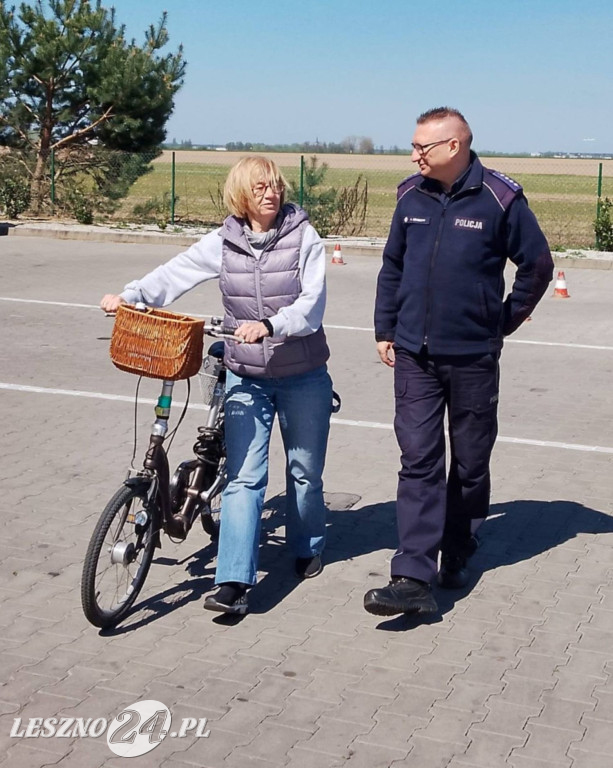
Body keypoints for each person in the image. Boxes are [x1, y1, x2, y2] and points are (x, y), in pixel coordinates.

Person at [101, 156, 334, 615]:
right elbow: (175, 273)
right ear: (241, 195)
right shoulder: (223, 242)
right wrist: (131, 296)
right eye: (260, 186)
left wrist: (270, 324)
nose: (271, 193)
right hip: (245, 375)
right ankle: (233, 582)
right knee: (245, 477)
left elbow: (313, 305)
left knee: (304, 473)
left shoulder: (305, 237)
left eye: (276, 186)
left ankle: (307, 545)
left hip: (303, 375)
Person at [363, 107, 554, 618]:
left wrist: (500, 321)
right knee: (419, 461)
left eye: (423, 147)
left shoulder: (500, 198)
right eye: (413, 146)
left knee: (469, 464)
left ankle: (459, 549)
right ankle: (411, 575)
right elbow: (393, 266)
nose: (414, 155)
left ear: (455, 146)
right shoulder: (410, 195)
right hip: (414, 357)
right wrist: (386, 328)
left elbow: (537, 266)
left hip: (473, 357)